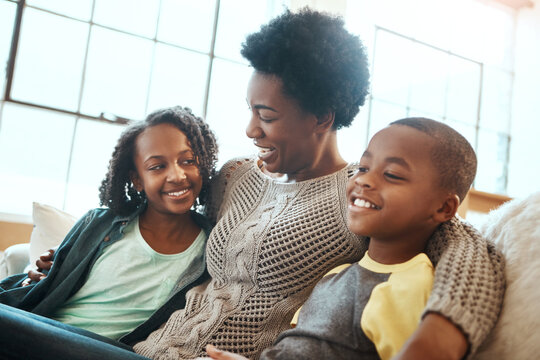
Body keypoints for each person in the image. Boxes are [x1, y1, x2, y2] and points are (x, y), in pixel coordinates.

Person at [9, 8, 503, 360]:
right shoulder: (234, 177)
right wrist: (72, 258)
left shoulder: (360, 197)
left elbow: (465, 244)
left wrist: (444, 328)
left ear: (321, 117)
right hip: (140, 346)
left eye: (265, 116)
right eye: (250, 110)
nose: (249, 130)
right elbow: (156, 211)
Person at [199, 117, 494, 360]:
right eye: (364, 168)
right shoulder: (338, 274)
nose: (364, 179)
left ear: (444, 208)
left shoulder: (407, 286)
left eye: (392, 174)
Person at [0, 106, 218, 357]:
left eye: (188, 160)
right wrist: (34, 275)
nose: (177, 175)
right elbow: (43, 282)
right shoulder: (100, 222)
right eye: (157, 166)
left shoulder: (212, 250)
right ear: (137, 180)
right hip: (42, 333)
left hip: (109, 351)